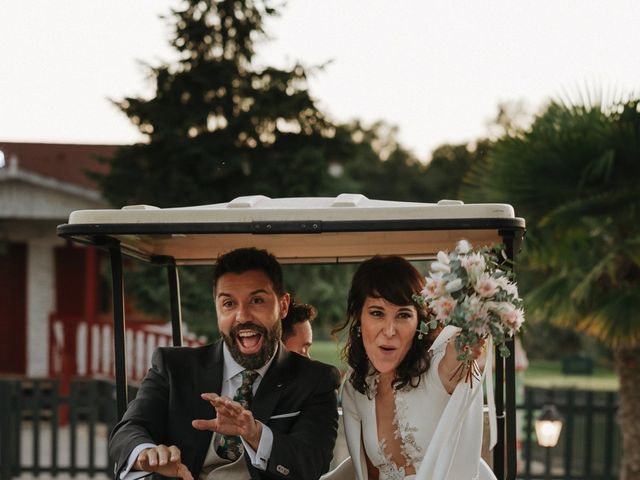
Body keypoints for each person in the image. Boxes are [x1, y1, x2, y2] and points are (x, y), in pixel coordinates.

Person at [109, 247, 341, 480]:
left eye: (257, 300)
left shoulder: (316, 380)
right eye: (229, 304)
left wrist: (257, 435)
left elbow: (312, 464)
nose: (243, 316)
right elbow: (129, 430)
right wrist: (146, 453)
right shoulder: (173, 367)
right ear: (217, 309)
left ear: (283, 306)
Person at [329, 255, 495, 480]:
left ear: (419, 321)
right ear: (358, 318)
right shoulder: (356, 385)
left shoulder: (436, 368)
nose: (389, 330)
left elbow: (455, 358)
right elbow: (367, 471)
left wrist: (468, 334)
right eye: (377, 313)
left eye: (403, 315)